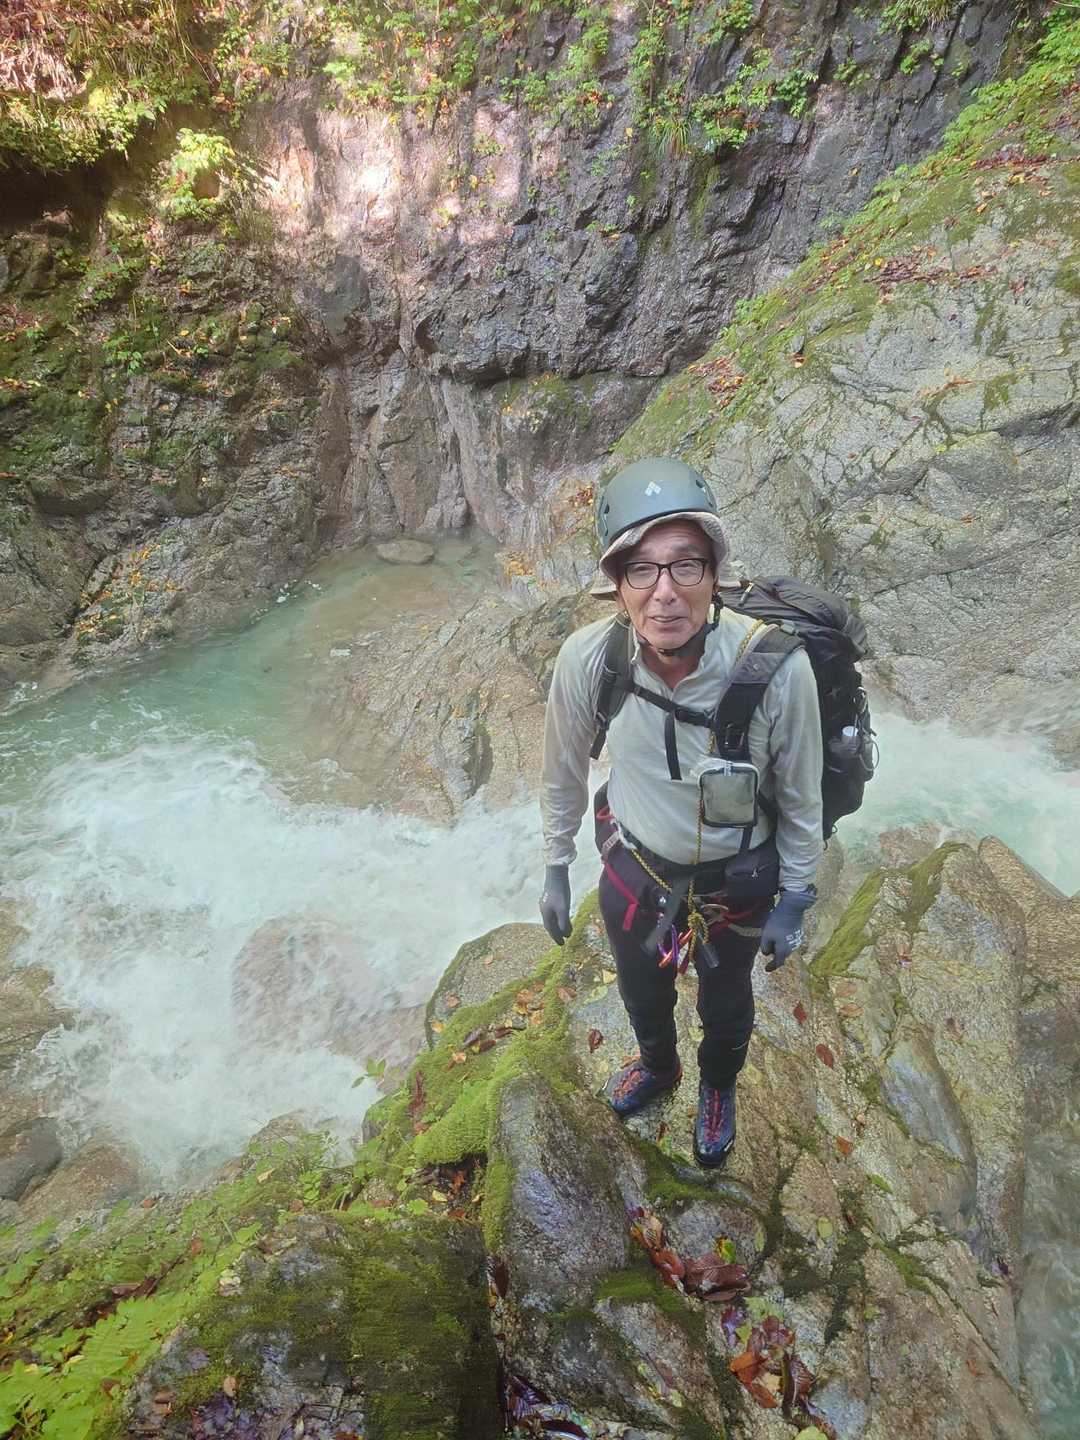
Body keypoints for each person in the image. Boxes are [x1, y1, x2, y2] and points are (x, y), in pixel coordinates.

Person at [539, 457, 823, 1167]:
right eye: (642, 569)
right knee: (641, 989)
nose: (664, 593)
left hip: (737, 882)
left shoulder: (776, 670)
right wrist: (555, 865)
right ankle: (659, 1065)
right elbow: (562, 771)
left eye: (686, 566)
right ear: (617, 584)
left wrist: (796, 896)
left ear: (715, 576)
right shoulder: (589, 661)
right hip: (636, 866)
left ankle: (717, 1085)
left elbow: (801, 797)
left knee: (726, 1004)